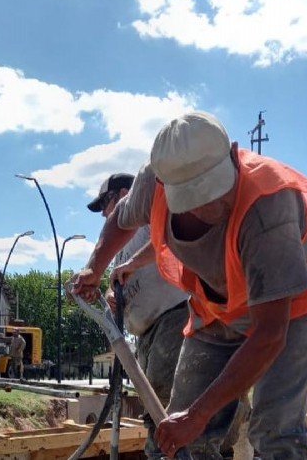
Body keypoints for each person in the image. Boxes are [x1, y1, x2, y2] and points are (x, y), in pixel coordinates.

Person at [72, 111, 307, 460]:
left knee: (275, 433)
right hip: (217, 308)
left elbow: (269, 334)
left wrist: (198, 416)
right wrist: (94, 268)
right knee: (181, 433)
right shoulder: (153, 182)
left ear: (232, 154)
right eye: (192, 198)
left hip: (294, 306)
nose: (207, 207)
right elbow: (121, 220)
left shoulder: (268, 207)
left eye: (212, 191)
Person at [82, 172, 189, 460]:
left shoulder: (144, 218)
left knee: (161, 396)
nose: (105, 213)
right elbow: (116, 280)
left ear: (124, 194)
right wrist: (109, 295)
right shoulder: (120, 245)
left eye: (105, 203)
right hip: (145, 332)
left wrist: (131, 262)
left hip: (173, 314)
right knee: (153, 397)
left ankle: (161, 455)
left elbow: (165, 239)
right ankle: (160, 453)